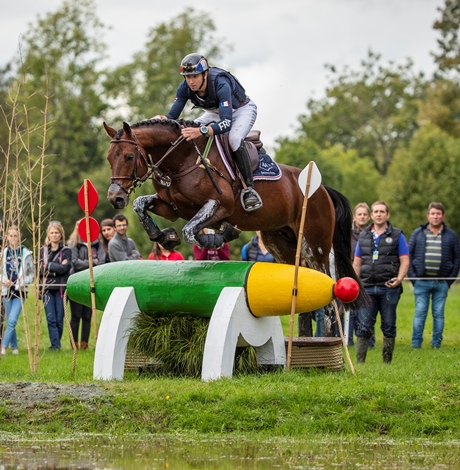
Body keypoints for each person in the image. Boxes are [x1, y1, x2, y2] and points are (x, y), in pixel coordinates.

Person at [152, 53, 262, 212]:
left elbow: (226, 123)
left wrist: (202, 131)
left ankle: (249, 189)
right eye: (187, 77)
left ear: (205, 74)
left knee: (234, 139)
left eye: (195, 76)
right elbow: (172, 118)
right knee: (183, 133)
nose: (190, 81)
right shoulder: (184, 88)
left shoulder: (220, 83)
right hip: (214, 112)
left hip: (241, 110)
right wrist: (161, 118)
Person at [353, 201, 409, 364]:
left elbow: (404, 260)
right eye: (376, 211)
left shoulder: (398, 235)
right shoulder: (363, 236)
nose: (378, 214)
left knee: (389, 325)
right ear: (372, 215)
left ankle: (387, 361)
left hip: (389, 288)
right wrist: (356, 283)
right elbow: (357, 262)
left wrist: (399, 279)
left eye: (382, 211)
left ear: (387, 215)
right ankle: (360, 362)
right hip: (367, 288)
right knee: (363, 326)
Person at [408, 202, 460, 349]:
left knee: (438, 314)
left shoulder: (451, 235)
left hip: (441, 282)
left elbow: (457, 258)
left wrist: (450, 279)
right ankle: (416, 344)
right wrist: (413, 278)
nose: (435, 216)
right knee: (420, 313)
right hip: (421, 281)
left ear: (443, 216)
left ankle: (436, 344)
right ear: (428, 216)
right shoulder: (418, 233)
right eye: (433, 214)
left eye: (438, 214)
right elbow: (409, 256)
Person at [68, 221, 106, 350]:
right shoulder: (74, 244)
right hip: (77, 283)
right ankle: (74, 344)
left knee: (87, 315)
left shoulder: (97, 245)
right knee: (76, 315)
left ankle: (84, 343)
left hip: (91, 284)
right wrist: (91, 262)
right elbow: (74, 263)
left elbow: (101, 262)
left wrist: (84, 262)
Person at [1, 225, 34, 355]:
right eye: (10, 236)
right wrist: (4, 280)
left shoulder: (26, 253)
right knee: (9, 319)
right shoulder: (3, 253)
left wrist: (21, 282)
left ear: (19, 237)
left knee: (12, 319)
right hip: (6, 290)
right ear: (7, 237)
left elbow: (31, 273)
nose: (13, 238)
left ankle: (3, 347)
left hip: (20, 291)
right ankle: (14, 347)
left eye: (15, 235)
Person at [40, 221, 72, 350]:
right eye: (52, 233)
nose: (54, 235)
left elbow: (65, 268)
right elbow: (40, 270)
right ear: (48, 234)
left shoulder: (66, 251)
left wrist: (48, 266)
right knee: (51, 318)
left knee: (59, 318)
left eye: (56, 232)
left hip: (61, 288)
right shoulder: (43, 252)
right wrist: (56, 268)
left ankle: (56, 343)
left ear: (61, 234)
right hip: (47, 289)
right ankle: (55, 345)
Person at [347, 203, 375, 347]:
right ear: (354, 217)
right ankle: (348, 340)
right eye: (360, 214)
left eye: (365, 214)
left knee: (367, 309)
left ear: (369, 217)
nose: (362, 217)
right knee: (350, 309)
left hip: (369, 274)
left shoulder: (373, 233)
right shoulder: (347, 232)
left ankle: (369, 341)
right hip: (350, 273)